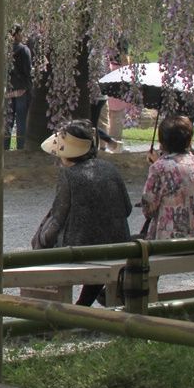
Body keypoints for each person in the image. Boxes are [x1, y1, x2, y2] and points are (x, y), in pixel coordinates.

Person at [31, 119, 132, 306]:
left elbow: (58, 218)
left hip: (80, 247)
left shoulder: (68, 175)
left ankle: (55, 308)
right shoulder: (111, 168)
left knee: (45, 243)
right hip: (117, 243)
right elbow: (127, 209)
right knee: (100, 242)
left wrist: (40, 242)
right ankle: (83, 304)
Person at [142, 115, 194, 239]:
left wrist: (156, 164)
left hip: (169, 241)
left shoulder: (159, 168)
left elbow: (148, 208)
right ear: (189, 140)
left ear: (162, 143)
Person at [4, 23, 33, 150]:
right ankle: (21, 148)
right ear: (16, 34)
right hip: (21, 89)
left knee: (7, 121)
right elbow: (27, 71)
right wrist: (28, 86)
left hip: (8, 89)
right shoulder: (24, 49)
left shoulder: (3, 49)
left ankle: (4, 147)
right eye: (21, 33)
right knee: (21, 121)